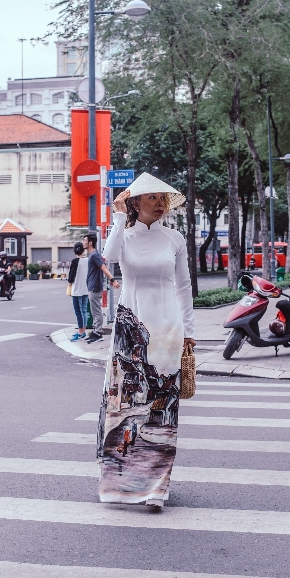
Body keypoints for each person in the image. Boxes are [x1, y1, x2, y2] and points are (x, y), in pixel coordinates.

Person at [97, 172, 194, 508]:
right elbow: (107, 258)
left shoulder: (175, 239)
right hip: (130, 331)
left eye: (161, 198)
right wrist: (119, 214)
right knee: (126, 408)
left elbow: (184, 287)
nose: (159, 203)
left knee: (161, 412)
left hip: (168, 329)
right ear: (135, 202)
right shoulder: (123, 235)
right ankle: (120, 484)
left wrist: (190, 333)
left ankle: (156, 488)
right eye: (151, 197)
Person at [82, 232, 120, 344]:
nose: (83, 242)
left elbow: (103, 267)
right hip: (92, 285)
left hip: (94, 286)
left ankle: (98, 333)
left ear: (90, 242)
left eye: (85, 240)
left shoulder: (94, 255)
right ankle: (96, 331)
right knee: (95, 311)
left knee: (96, 311)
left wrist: (112, 280)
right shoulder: (93, 255)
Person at [67, 242, 90, 342]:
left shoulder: (74, 261)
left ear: (74, 251)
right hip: (86, 289)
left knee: (78, 312)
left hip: (76, 290)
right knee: (84, 310)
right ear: (83, 250)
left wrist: (69, 283)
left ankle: (80, 333)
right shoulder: (88, 260)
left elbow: (71, 278)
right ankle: (83, 331)